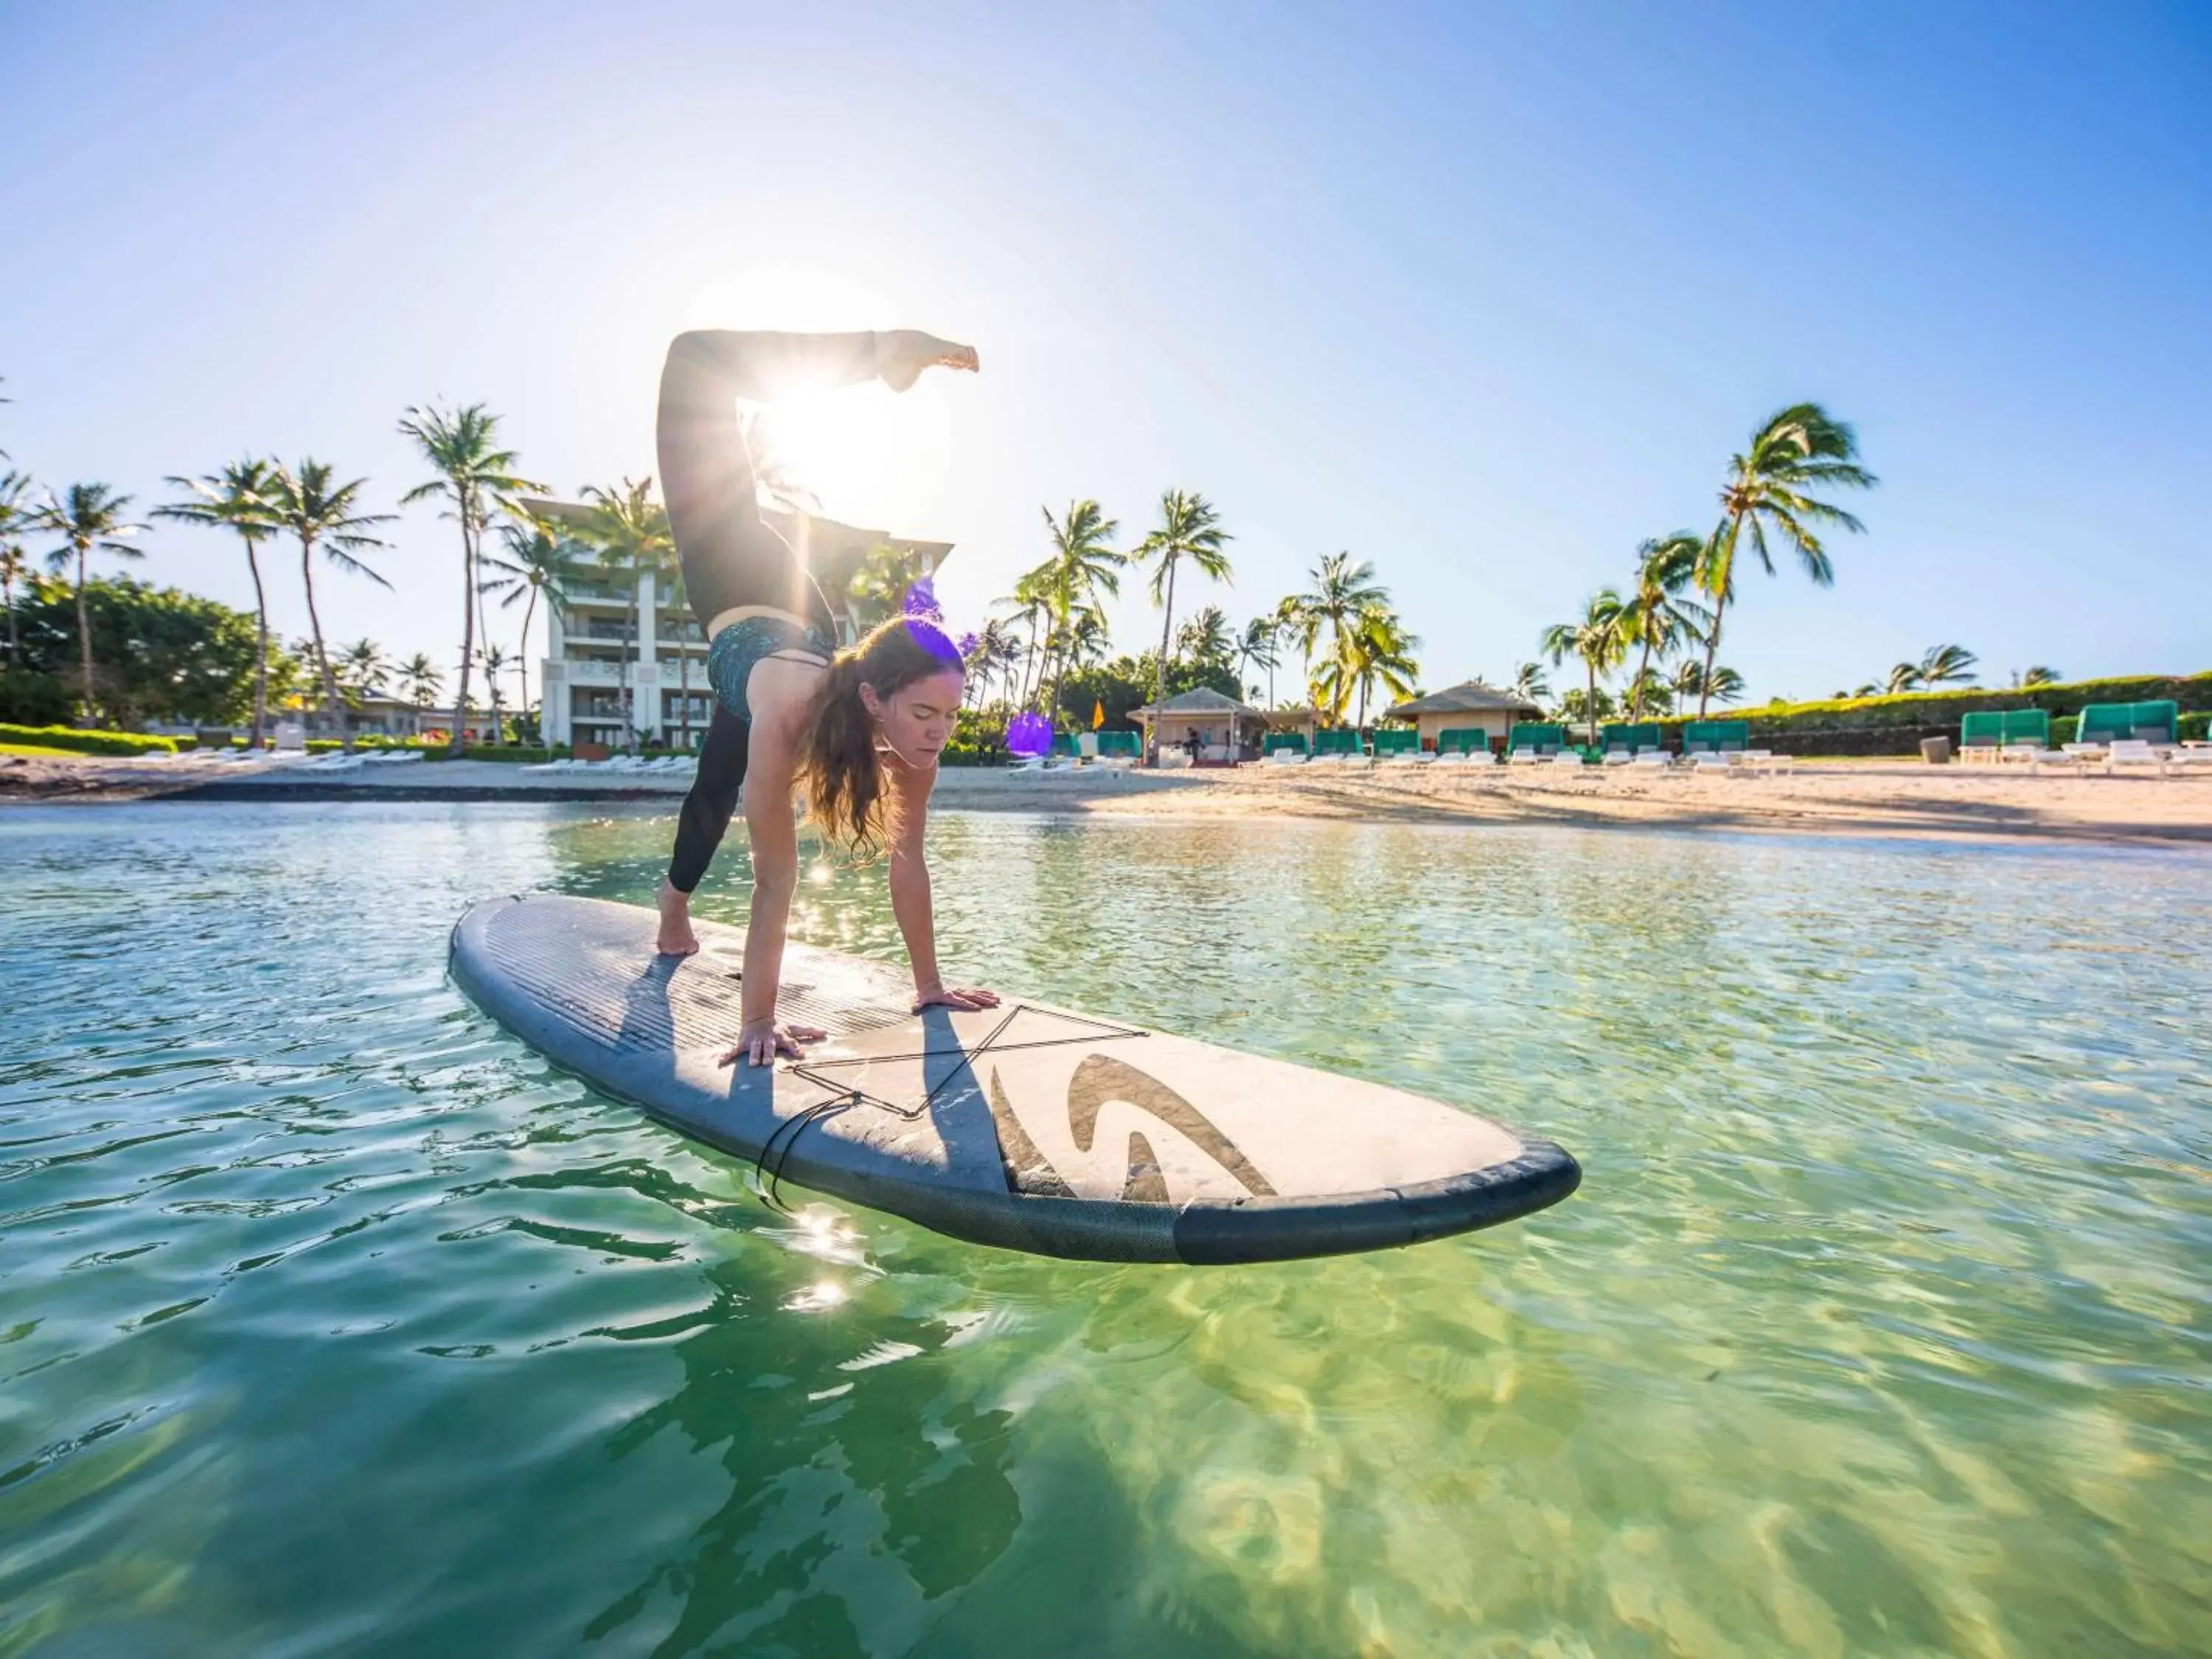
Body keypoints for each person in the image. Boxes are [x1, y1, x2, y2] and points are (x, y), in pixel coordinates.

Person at [650, 327, 999, 1066]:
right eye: (926, 713)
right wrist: (756, 1022)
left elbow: (910, 863)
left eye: (950, 716)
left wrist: (929, 985)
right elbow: (775, 879)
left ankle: (673, 905)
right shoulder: (788, 717)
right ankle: (880, 351)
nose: (939, 734)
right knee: (694, 363)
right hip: (741, 581)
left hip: (807, 625)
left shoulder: (911, 743)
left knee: (715, 784)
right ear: (875, 700)